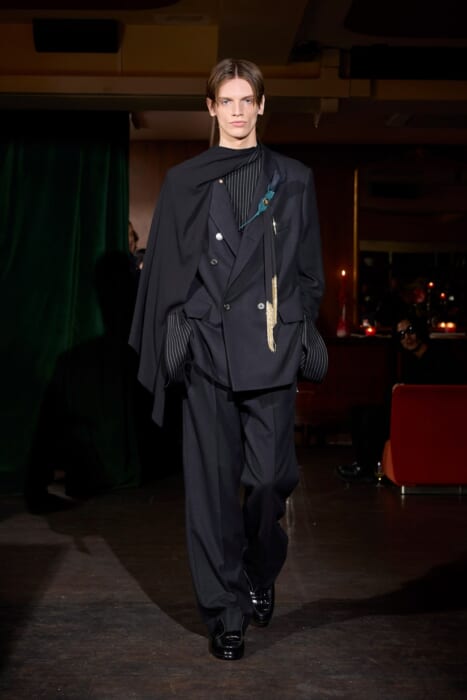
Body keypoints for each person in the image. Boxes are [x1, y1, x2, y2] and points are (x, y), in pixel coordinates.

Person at [129, 58, 325, 660]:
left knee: (269, 482)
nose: (238, 112)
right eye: (227, 101)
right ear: (210, 109)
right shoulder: (185, 181)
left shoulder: (293, 178)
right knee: (212, 493)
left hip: (269, 348)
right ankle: (225, 612)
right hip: (209, 351)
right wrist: (181, 327)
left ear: (261, 106)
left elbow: (309, 270)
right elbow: (166, 268)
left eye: (247, 100)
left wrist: (296, 327)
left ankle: (261, 569)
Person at [337, 315, 463, 483]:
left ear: (419, 331)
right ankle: (363, 465)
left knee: (372, 418)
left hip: (432, 413)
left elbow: (440, 389)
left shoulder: (439, 356)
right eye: (401, 335)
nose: (407, 338)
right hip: (409, 410)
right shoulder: (409, 360)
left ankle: (368, 469)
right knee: (357, 412)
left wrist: (404, 390)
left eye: (410, 331)